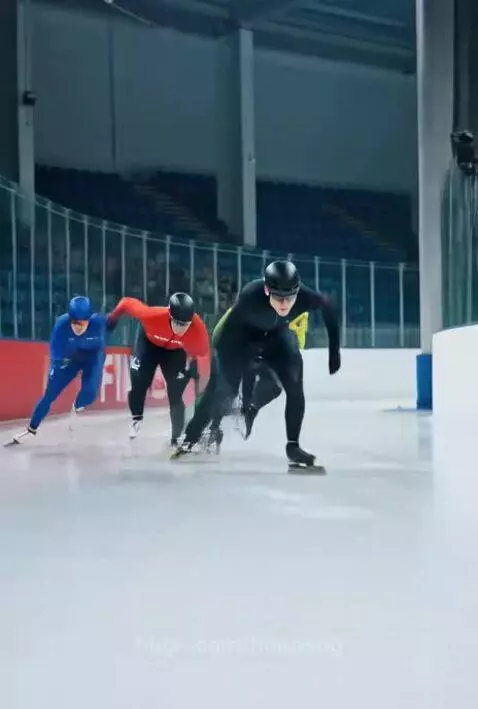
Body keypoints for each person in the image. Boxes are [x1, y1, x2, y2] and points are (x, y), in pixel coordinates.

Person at [174, 260, 341, 467]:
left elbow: (328, 307)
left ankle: (293, 445)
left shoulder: (304, 297)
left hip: (275, 334)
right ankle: (190, 439)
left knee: (294, 383)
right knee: (223, 391)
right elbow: (233, 340)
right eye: (279, 297)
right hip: (236, 339)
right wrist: (250, 368)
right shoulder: (250, 297)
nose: (285, 304)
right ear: (266, 289)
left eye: (290, 297)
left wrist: (334, 352)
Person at [107, 292, 209, 445]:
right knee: (138, 382)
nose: (181, 329)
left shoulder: (198, 328)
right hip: (148, 345)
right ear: (169, 315)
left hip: (175, 352)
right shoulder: (151, 315)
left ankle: (176, 437)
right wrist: (112, 320)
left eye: (185, 325)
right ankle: (137, 417)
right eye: (177, 323)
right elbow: (126, 302)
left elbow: (201, 353)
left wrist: (194, 369)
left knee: (175, 392)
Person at [11, 296, 112, 444]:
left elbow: (101, 349)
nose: (79, 326)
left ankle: (77, 406)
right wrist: (58, 368)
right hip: (68, 360)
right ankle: (31, 429)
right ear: (69, 319)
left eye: (83, 321)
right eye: (75, 322)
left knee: (90, 393)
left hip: (92, 358)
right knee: (49, 394)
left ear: (89, 319)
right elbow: (56, 356)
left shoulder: (99, 323)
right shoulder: (61, 326)